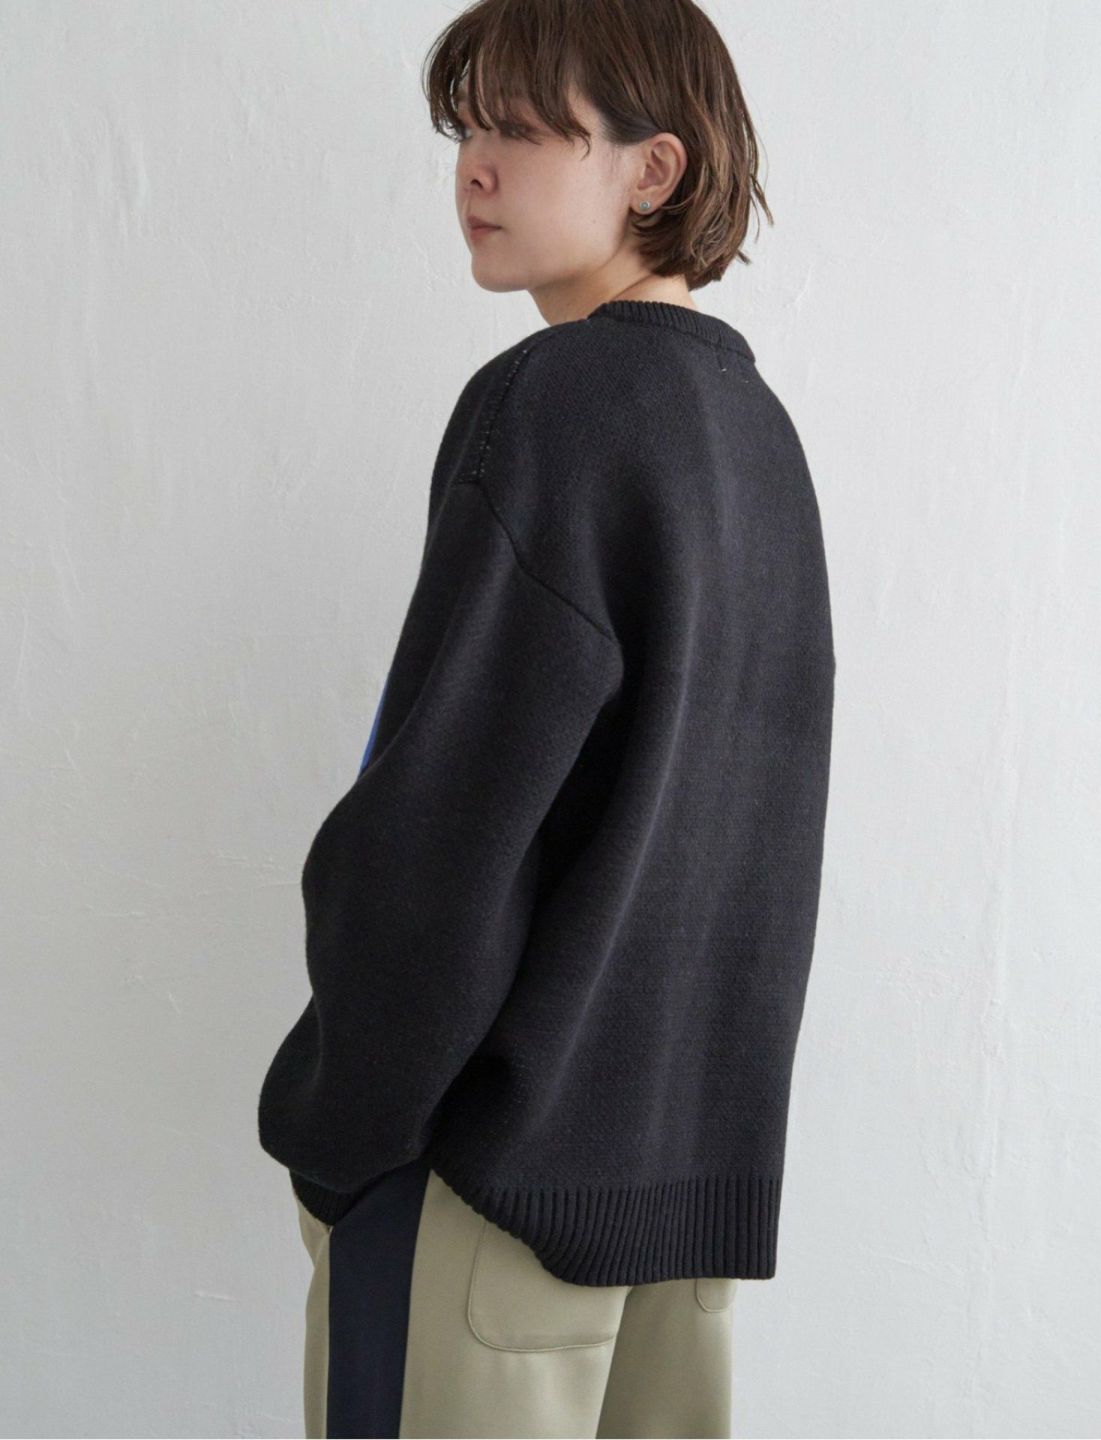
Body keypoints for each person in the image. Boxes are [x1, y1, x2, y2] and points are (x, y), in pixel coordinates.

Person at [257, 0, 836, 1434]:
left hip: (490, 1194)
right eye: (465, 127)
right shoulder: (758, 438)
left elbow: (446, 820)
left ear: (654, 168)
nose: (473, 164)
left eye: (521, 128)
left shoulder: (559, 401)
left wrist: (345, 1123)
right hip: (675, 1197)